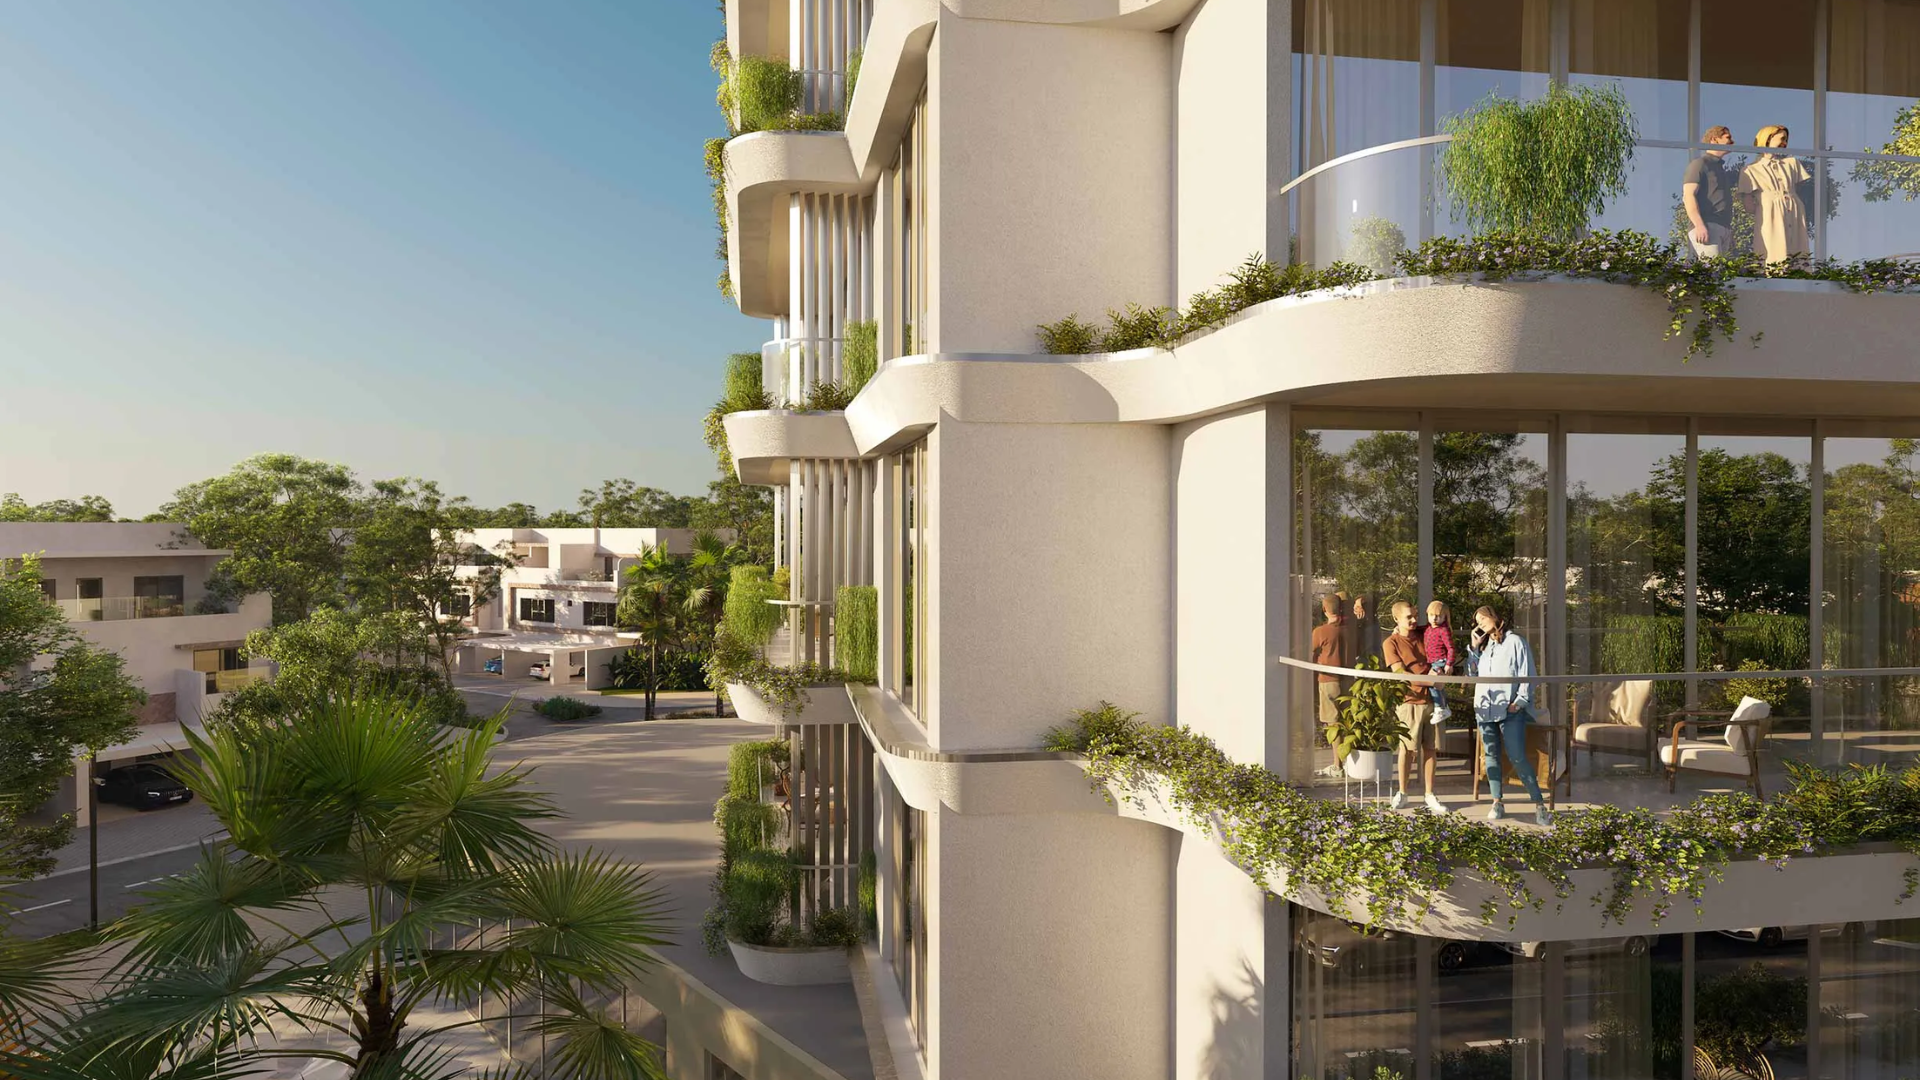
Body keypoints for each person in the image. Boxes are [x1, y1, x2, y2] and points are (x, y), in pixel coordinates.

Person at [1467, 606, 1550, 826]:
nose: (1480, 624)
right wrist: (1474, 649)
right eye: (1477, 621)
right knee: (1491, 756)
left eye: (1483, 619)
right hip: (1485, 709)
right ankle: (1497, 802)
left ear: (1494, 617)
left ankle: (1539, 805)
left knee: (1517, 756)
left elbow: (1528, 674)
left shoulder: (1516, 642)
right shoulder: (1485, 647)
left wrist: (1520, 701)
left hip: (1510, 709)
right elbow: (1473, 674)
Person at [1383, 601, 1448, 815]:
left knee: (1431, 748)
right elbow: (1399, 672)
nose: (1413, 620)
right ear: (1396, 619)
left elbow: (1444, 633)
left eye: (1415, 616)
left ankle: (1430, 794)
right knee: (1407, 749)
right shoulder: (1391, 643)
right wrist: (1429, 681)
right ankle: (1402, 792)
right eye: (1408, 617)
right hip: (1409, 701)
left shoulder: (1425, 633)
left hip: (1434, 700)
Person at [1737, 125, 1812, 265]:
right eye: (1782, 139)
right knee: (1773, 249)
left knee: (1797, 245)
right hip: (1769, 213)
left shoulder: (1792, 163)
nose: (1784, 143)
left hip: (1794, 209)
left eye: (1786, 140)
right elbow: (1748, 205)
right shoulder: (1751, 170)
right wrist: (1767, 207)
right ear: (1768, 138)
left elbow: (1799, 188)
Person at [1682, 126, 1737, 259]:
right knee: (1714, 273)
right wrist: (1699, 225)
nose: (1732, 142)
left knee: (1722, 274)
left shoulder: (1719, 168)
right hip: (1708, 225)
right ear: (1714, 140)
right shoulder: (1700, 164)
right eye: (1727, 138)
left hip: (1722, 226)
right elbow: (1688, 196)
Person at [1309, 593, 1350, 729]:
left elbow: (1310, 652)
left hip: (1328, 679)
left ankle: (1337, 751)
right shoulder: (1351, 630)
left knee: (1332, 722)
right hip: (1349, 679)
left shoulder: (1320, 631)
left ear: (1324, 609)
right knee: (1348, 719)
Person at [1423, 600, 1458, 725]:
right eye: (1431, 615)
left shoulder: (1443, 630)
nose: (1434, 618)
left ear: (1445, 617)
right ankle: (1444, 707)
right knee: (1437, 686)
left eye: (1439, 616)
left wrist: (1449, 663)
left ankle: (1440, 708)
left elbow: (1451, 648)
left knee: (1433, 684)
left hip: (1440, 661)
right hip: (1432, 661)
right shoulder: (1428, 629)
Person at [1348, 594, 1382, 667]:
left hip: (1365, 668)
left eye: (1358, 607)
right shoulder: (1369, 624)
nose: (1354, 609)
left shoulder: (1369, 628)